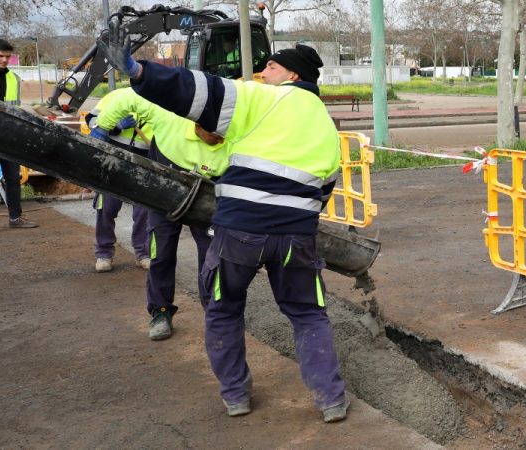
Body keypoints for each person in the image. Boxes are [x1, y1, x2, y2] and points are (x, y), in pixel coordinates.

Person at [110, 43, 347, 422]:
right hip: (297, 236)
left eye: (270, 66)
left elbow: (196, 89)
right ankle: (331, 400)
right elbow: (324, 189)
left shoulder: (263, 99)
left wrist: (141, 73)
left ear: (292, 76)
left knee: (223, 310)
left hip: (241, 231)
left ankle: (236, 396)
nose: (262, 73)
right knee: (308, 314)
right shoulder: (326, 125)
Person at [91, 87, 226, 341]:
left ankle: (215, 314)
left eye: (222, 135)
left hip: (205, 195)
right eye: (213, 134)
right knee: (161, 253)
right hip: (164, 193)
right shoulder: (169, 117)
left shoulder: (232, 141)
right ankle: (160, 311)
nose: (218, 139)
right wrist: (103, 127)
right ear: (197, 124)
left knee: (212, 258)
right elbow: (128, 97)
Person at [85, 89, 152, 272]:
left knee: (143, 212)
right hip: (113, 160)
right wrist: (116, 126)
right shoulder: (116, 96)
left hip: (144, 162)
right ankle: (104, 254)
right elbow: (91, 120)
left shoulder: (158, 101)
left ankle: (143, 253)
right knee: (106, 208)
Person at [0, 38, 38, 236]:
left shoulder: (13, 78)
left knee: (13, 178)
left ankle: (15, 217)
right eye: (0, 56)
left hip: (9, 136)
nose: (5, 60)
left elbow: (14, 106)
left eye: (8, 57)